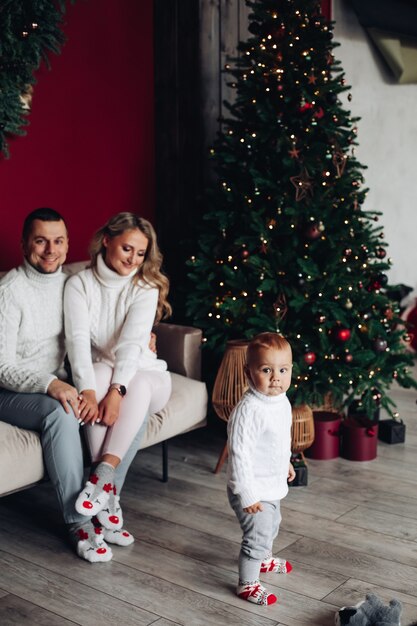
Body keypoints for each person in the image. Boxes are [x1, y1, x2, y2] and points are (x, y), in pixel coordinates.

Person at [0, 207, 147, 563]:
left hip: (56, 384)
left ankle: (105, 500)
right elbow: (2, 366)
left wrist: (146, 336)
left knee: (130, 402)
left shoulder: (73, 281)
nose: (50, 250)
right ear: (24, 244)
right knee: (62, 413)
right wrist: (52, 384)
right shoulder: (10, 290)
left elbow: (101, 323)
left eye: (58, 241)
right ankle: (78, 523)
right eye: (40, 241)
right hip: (10, 391)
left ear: (68, 245)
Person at [63, 212, 172, 537]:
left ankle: (105, 472)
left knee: (134, 381)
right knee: (95, 371)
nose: (133, 259)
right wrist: (90, 392)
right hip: (102, 372)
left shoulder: (145, 285)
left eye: (141, 253)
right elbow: (77, 340)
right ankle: (106, 499)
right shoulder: (79, 283)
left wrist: (116, 391)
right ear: (107, 240)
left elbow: (131, 345)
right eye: (127, 249)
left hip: (147, 376)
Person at [227, 332, 296, 606]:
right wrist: (247, 494)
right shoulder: (249, 410)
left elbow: (278, 440)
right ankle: (247, 584)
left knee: (273, 524)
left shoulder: (282, 401)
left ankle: (264, 558)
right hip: (250, 488)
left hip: (271, 482)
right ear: (248, 372)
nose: (276, 378)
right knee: (257, 535)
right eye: (266, 370)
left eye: (283, 370)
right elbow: (239, 454)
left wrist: (285, 462)